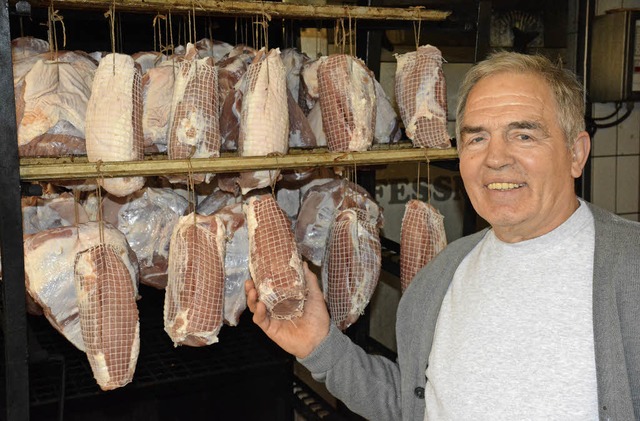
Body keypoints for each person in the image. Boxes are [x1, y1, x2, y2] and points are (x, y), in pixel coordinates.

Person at [245, 51, 640, 420]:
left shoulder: (630, 268)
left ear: (576, 153)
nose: (496, 158)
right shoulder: (442, 277)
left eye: (524, 135)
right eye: (476, 138)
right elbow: (414, 404)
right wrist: (320, 346)